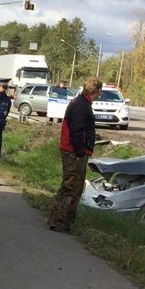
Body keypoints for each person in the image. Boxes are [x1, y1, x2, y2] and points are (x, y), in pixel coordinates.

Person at [47, 76, 102, 232]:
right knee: (69, 186)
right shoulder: (80, 105)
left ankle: (67, 221)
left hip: (77, 150)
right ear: (97, 90)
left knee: (76, 187)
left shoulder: (83, 103)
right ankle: (56, 220)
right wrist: (80, 151)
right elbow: (77, 131)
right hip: (73, 151)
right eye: (100, 90)